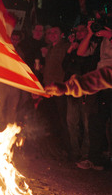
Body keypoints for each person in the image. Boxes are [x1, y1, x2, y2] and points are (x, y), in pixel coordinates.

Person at [46, 21, 112, 170]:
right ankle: (92, 159)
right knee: (95, 121)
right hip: (98, 89)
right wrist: (67, 87)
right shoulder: (99, 42)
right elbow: (104, 75)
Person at [62, 23, 99, 161]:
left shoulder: (93, 47)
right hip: (71, 89)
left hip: (86, 89)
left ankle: (85, 154)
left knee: (86, 123)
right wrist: (69, 50)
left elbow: (85, 63)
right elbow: (65, 66)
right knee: (71, 121)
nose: (79, 33)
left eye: (82, 30)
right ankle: (75, 151)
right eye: (77, 31)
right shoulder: (74, 47)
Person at [40, 25, 71, 157]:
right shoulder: (50, 48)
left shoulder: (65, 46)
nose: (52, 34)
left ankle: (67, 149)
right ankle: (54, 150)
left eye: (55, 32)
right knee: (52, 119)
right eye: (50, 32)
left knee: (63, 120)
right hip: (49, 89)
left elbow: (65, 66)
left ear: (61, 34)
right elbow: (50, 68)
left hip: (59, 88)